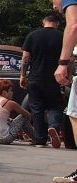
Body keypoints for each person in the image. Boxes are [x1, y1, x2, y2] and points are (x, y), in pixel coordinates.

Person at [20, 10, 65, 148]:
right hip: (54, 78)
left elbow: (25, 58)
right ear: (57, 23)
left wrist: (23, 75)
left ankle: (40, 140)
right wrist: (67, 75)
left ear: (43, 21)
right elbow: (68, 59)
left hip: (35, 77)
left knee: (36, 108)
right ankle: (54, 126)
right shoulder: (62, 36)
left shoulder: (32, 35)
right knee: (56, 105)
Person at [48, 0, 77, 183]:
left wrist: (63, 63)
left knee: (75, 114)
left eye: (53, 1)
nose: (55, 7)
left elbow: (73, 26)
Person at [0, 79, 34, 145]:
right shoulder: (9, 103)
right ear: (4, 92)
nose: (12, 93)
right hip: (3, 138)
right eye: (10, 90)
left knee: (9, 120)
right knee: (22, 117)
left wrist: (11, 121)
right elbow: (28, 115)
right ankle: (36, 138)